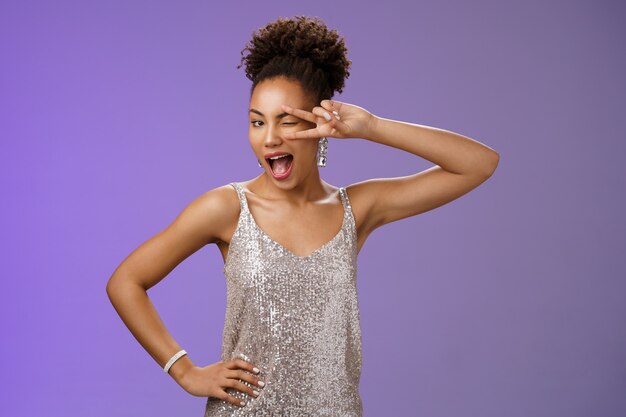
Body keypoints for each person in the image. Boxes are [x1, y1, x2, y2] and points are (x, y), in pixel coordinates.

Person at [106, 15, 499, 417]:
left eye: (287, 120)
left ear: (320, 124)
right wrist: (185, 371)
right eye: (257, 121)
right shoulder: (227, 208)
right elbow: (126, 281)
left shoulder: (357, 210)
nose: (269, 138)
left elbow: (478, 164)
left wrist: (372, 126)